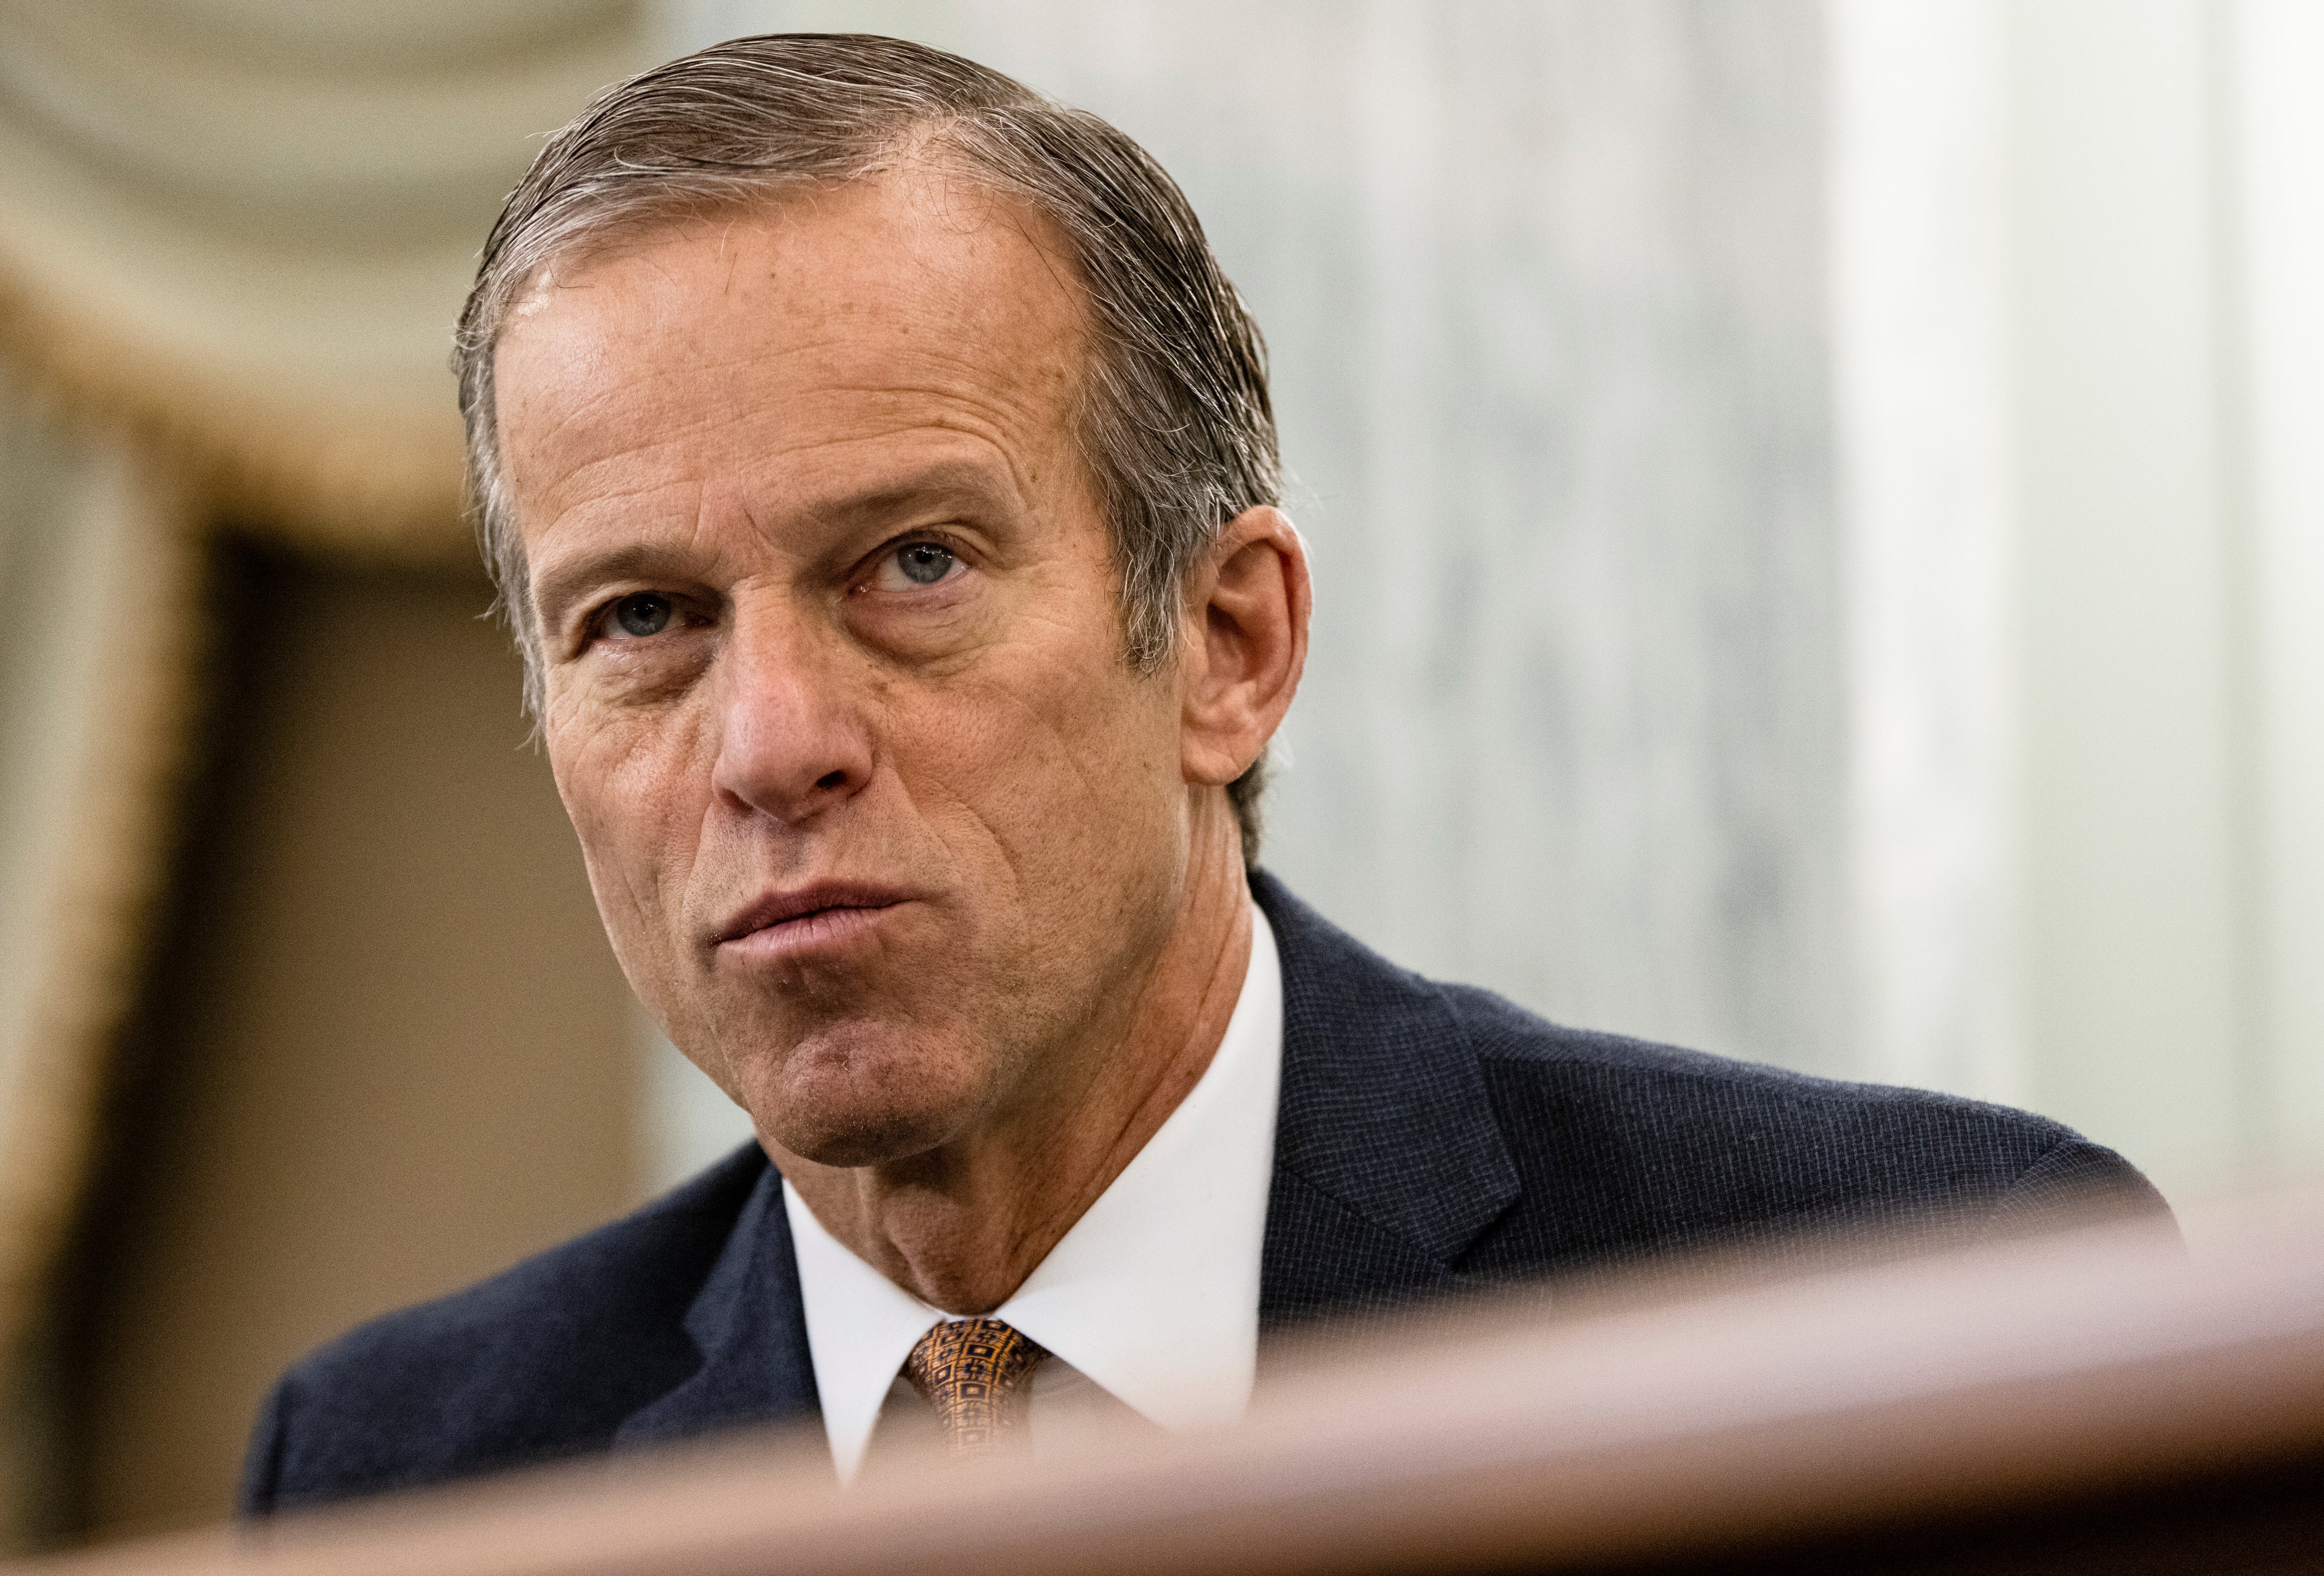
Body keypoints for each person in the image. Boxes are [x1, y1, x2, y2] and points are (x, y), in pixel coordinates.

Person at [240, 33, 2167, 1512]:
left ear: (1230, 644)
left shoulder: (1904, 1304)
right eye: (644, 620)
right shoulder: (403, 1472)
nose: (769, 746)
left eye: (911, 564)